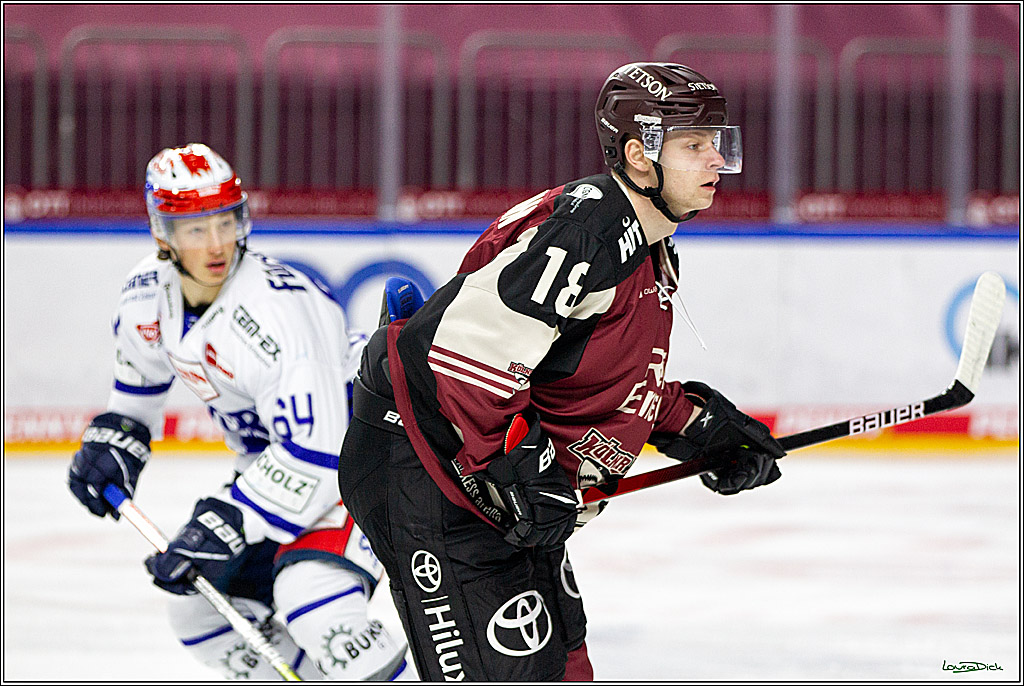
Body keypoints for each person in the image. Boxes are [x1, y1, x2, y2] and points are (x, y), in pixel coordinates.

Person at [337, 62, 786, 680]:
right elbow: (467, 357)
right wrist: (509, 468)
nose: (716, 162)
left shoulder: (643, 237)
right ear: (638, 154)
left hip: (493, 472)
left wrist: (694, 424)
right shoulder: (592, 228)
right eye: (693, 146)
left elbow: (593, 375)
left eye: (717, 144)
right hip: (431, 469)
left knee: (564, 666)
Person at [67, 143, 412, 681]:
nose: (217, 243)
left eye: (225, 222)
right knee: (198, 611)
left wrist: (227, 521)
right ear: (163, 233)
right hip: (281, 469)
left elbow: (318, 455)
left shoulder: (275, 313)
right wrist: (114, 442)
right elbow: (136, 395)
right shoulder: (145, 297)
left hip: (363, 460)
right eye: (195, 229)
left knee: (315, 599)